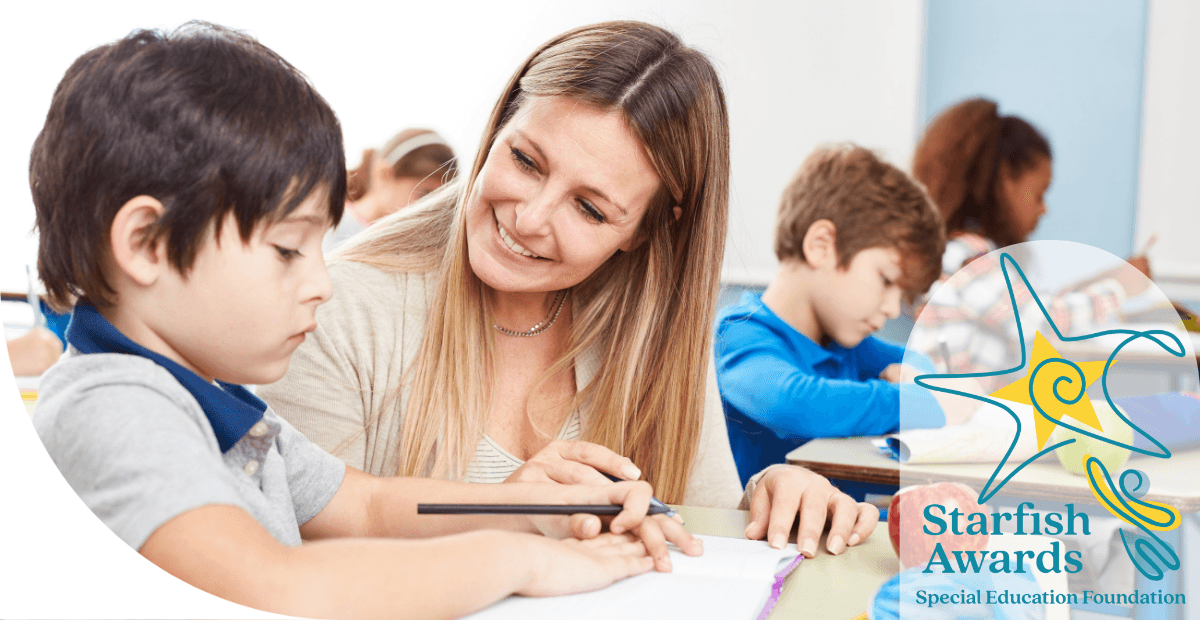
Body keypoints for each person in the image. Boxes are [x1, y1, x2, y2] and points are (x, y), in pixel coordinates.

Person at [28, 22, 691, 620]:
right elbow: (274, 585)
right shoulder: (113, 406)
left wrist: (520, 509)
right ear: (146, 243)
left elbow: (370, 507)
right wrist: (519, 561)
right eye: (289, 250)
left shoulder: (220, 406)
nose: (321, 282)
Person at [262, 21, 879, 558]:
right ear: (498, 125)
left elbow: (696, 534)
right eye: (526, 161)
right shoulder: (336, 307)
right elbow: (292, 562)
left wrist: (768, 498)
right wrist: (499, 519)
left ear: (643, 233)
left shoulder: (655, 335)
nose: (530, 219)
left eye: (589, 208)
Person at [714, 145, 978, 487]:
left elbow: (917, 360)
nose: (892, 309)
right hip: (773, 536)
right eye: (885, 281)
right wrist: (916, 403)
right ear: (821, 246)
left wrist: (921, 384)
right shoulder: (740, 334)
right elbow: (796, 403)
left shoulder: (845, 343)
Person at [910, 98, 1151, 380]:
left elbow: (1027, 307)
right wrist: (1119, 289)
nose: (1044, 208)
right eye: (1039, 194)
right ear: (1004, 180)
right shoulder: (968, 260)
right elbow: (1043, 321)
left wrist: (1104, 280)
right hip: (953, 415)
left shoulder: (968, 256)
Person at [324, 128, 457, 252]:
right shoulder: (328, 226)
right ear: (383, 174)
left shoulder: (399, 248)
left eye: (441, 202)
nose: (431, 210)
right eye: (424, 194)